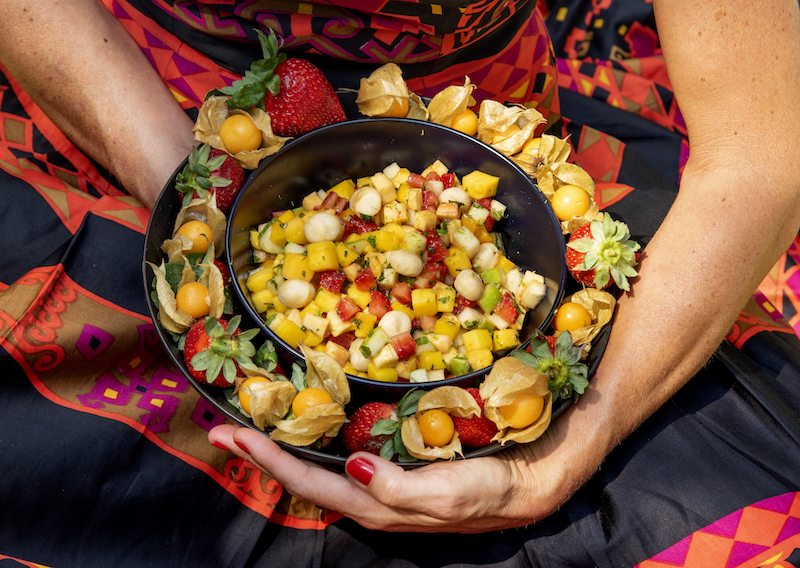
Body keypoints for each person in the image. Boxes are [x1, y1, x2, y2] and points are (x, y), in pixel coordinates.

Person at [0, 0, 799, 565]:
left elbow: (765, 149)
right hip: (138, 114)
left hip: (488, 150)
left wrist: (576, 440)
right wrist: (195, 194)